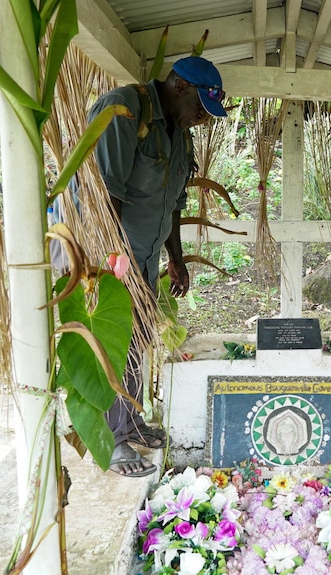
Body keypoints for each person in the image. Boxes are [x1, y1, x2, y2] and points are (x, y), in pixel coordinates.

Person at [88, 56, 227, 476]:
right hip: (107, 254)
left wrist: (177, 258)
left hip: (144, 255)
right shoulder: (124, 111)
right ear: (179, 86)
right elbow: (102, 198)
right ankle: (110, 443)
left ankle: (129, 422)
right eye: (201, 108)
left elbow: (173, 203)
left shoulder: (178, 133)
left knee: (137, 337)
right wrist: (110, 267)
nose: (202, 119)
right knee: (109, 341)